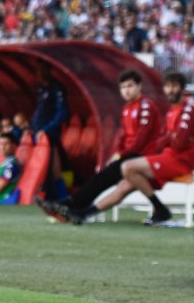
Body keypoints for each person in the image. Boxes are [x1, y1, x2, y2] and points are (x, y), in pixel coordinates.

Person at [39, 70, 164, 224]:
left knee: (104, 177)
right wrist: (117, 153)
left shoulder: (146, 106)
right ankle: (74, 207)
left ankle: (70, 204)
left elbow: (141, 140)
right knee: (102, 177)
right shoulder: (127, 108)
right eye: (123, 87)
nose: (126, 90)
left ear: (139, 86)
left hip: (143, 156)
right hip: (130, 156)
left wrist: (121, 155)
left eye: (130, 86)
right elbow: (123, 136)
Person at [89, 72, 194, 225]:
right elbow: (166, 140)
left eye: (174, 86)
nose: (171, 90)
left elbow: (178, 144)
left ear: (182, 88)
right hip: (169, 157)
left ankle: (161, 209)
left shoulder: (188, 110)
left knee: (127, 167)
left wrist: (169, 140)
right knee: (125, 185)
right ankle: (84, 213)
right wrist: (170, 139)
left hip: (181, 161)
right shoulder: (171, 111)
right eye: (168, 86)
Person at [31, 63, 69, 201]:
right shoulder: (41, 88)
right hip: (39, 135)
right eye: (37, 70)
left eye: (41, 70)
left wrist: (47, 129)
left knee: (53, 169)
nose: (39, 73)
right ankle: (57, 199)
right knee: (50, 169)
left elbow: (62, 113)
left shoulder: (56, 88)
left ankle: (63, 199)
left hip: (49, 136)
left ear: (48, 70)